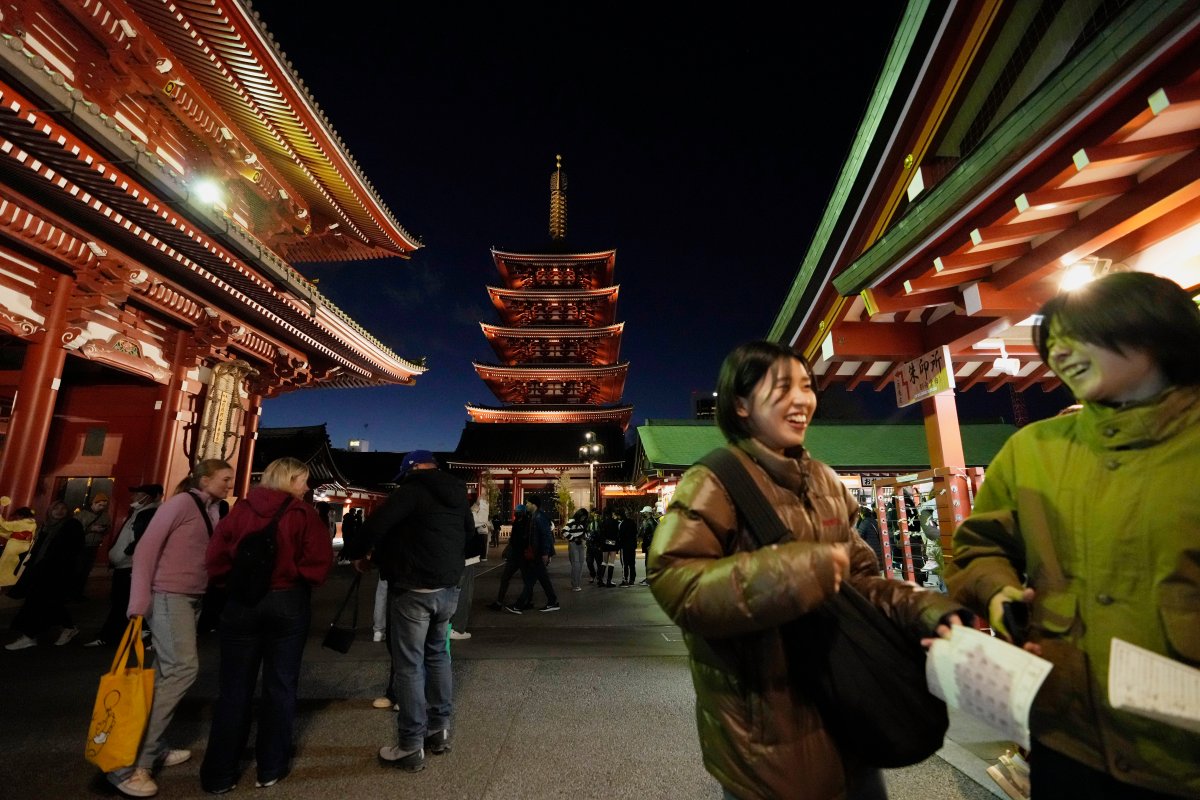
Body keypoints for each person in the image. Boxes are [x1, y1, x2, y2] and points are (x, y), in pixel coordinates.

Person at [647, 340, 963, 800]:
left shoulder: (825, 480)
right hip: (769, 739)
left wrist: (932, 611)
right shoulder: (712, 481)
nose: (802, 399)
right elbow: (677, 582)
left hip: (849, 709)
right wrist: (799, 572)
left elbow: (862, 579)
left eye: (807, 386)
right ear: (740, 404)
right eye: (783, 387)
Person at [946, 272, 1200, 800]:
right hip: (1068, 733)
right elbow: (978, 547)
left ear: (1152, 331)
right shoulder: (1033, 448)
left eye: (1077, 334)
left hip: (1183, 752)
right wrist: (998, 592)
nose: (1058, 352)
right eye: (1051, 341)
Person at [200, 457, 333, 793]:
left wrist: (229, 584)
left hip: (241, 603)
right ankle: (270, 766)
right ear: (289, 481)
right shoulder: (302, 514)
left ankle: (219, 774)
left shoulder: (241, 510)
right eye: (302, 480)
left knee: (233, 689)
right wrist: (298, 577)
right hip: (286, 601)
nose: (306, 487)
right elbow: (318, 562)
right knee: (280, 685)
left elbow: (215, 558)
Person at [105, 459, 234, 799]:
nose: (229, 485)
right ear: (203, 480)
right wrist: (138, 601)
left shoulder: (213, 509)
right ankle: (134, 765)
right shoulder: (180, 504)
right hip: (169, 595)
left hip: (191, 597)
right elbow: (147, 548)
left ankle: (155, 744)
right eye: (225, 479)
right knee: (182, 669)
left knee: (165, 672)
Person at [341, 449, 474, 773]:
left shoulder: (411, 492)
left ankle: (410, 744)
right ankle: (438, 730)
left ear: (410, 470)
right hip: (447, 588)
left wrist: (356, 553)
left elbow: (375, 526)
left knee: (409, 665)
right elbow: (469, 536)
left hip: (414, 589)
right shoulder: (458, 494)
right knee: (438, 656)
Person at [85, 484, 164, 648]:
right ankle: (129, 631)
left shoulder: (148, 514)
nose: (133, 498)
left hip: (130, 565)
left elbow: (143, 539)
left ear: (148, 497)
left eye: (138, 495)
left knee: (121, 602)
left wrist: (128, 553)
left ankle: (111, 636)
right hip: (125, 564)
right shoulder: (139, 512)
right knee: (123, 601)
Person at [4, 501, 85, 650]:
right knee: (51, 603)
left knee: (39, 603)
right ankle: (68, 627)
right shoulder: (46, 525)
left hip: (56, 572)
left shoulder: (72, 525)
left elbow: (73, 551)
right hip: (40, 570)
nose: (59, 511)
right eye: (56, 507)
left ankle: (29, 635)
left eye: (63, 508)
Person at [449, 494, 490, 639]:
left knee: (449, 594)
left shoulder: (447, 512)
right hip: (465, 560)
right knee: (463, 594)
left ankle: (445, 626)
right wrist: (484, 504)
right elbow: (480, 520)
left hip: (449, 559)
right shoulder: (465, 515)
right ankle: (457, 628)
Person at [513, 497, 559, 612]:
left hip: (539, 553)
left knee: (531, 580)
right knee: (542, 579)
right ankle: (552, 601)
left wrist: (545, 553)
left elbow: (546, 536)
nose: (526, 505)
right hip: (536, 553)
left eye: (528, 503)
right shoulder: (535, 516)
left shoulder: (539, 517)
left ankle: (519, 605)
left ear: (534, 505)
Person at [487, 505, 529, 613]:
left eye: (517, 511)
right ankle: (499, 602)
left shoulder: (527, 523)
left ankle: (526, 601)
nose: (515, 513)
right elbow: (513, 539)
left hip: (523, 556)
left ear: (522, 512)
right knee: (505, 578)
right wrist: (507, 549)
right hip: (515, 556)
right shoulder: (518, 523)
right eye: (515, 511)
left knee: (527, 580)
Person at [71, 492, 112, 600]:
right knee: (77, 568)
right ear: (93, 503)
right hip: (81, 545)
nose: (102, 507)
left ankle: (79, 592)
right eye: (100, 505)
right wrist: (90, 529)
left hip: (94, 545)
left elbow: (108, 528)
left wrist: (104, 529)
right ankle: (71, 592)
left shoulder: (105, 516)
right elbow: (74, 530)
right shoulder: (81, 515)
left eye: (104, 505)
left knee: (86, 569)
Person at [562, 507, 588, 591]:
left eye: (585, 517)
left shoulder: (583, 523)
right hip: (573, 545)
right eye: (583, 516)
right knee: (576, 564)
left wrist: (585, 538)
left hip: (581, 544)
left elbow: (585, 533)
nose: (583, 518)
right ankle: (575, 585)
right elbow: (564, 531)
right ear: (579, 515)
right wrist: (574, 538)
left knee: (580, 564)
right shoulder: (571, 521)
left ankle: (577, 583)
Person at [597, 508, 620, 587]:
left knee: (604, 562)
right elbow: (617, 533)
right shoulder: (615, 522)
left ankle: (600, 580)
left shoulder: (602, 522)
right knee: (611, 562)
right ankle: (609, 581)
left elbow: (600, 534)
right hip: (612, 543)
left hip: (604, 544)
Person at [618, 507, 639, 586]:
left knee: (625, 563)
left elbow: (620, 536)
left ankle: (625, 579)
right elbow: (636, 534)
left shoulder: (621, 524)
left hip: (624, 546)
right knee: (632, 563)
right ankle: (632, 579)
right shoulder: (633, 522)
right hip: (632, 546)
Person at [584, 508, 602, 584]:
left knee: (599, 562)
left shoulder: (601, 522)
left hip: (598, 545)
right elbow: (585, 531)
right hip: (590, 544)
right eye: (593, 513)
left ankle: (598, 576)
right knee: (589, 561)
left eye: (596, 514)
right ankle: (592, 574)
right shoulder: (588, 522)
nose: (595, 515)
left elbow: (602, 532)